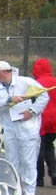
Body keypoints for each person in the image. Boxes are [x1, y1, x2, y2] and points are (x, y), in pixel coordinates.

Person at [0, 61, 49, 195]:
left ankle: (29, 192)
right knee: (12, 159)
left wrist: (32, 111)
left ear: (4, 72)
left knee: (28, 160)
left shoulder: (26, 82)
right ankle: (15, 189)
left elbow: (44, 96)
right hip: (9, 126)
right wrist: (9, 100)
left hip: (27, 126)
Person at [32, 58, 56, 187]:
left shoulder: (35, 84)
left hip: (42, 118)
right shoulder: (54, 82)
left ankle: (39, 177)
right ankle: (54, 173)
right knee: (49, 146)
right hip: (54, 119)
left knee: (38, 148)